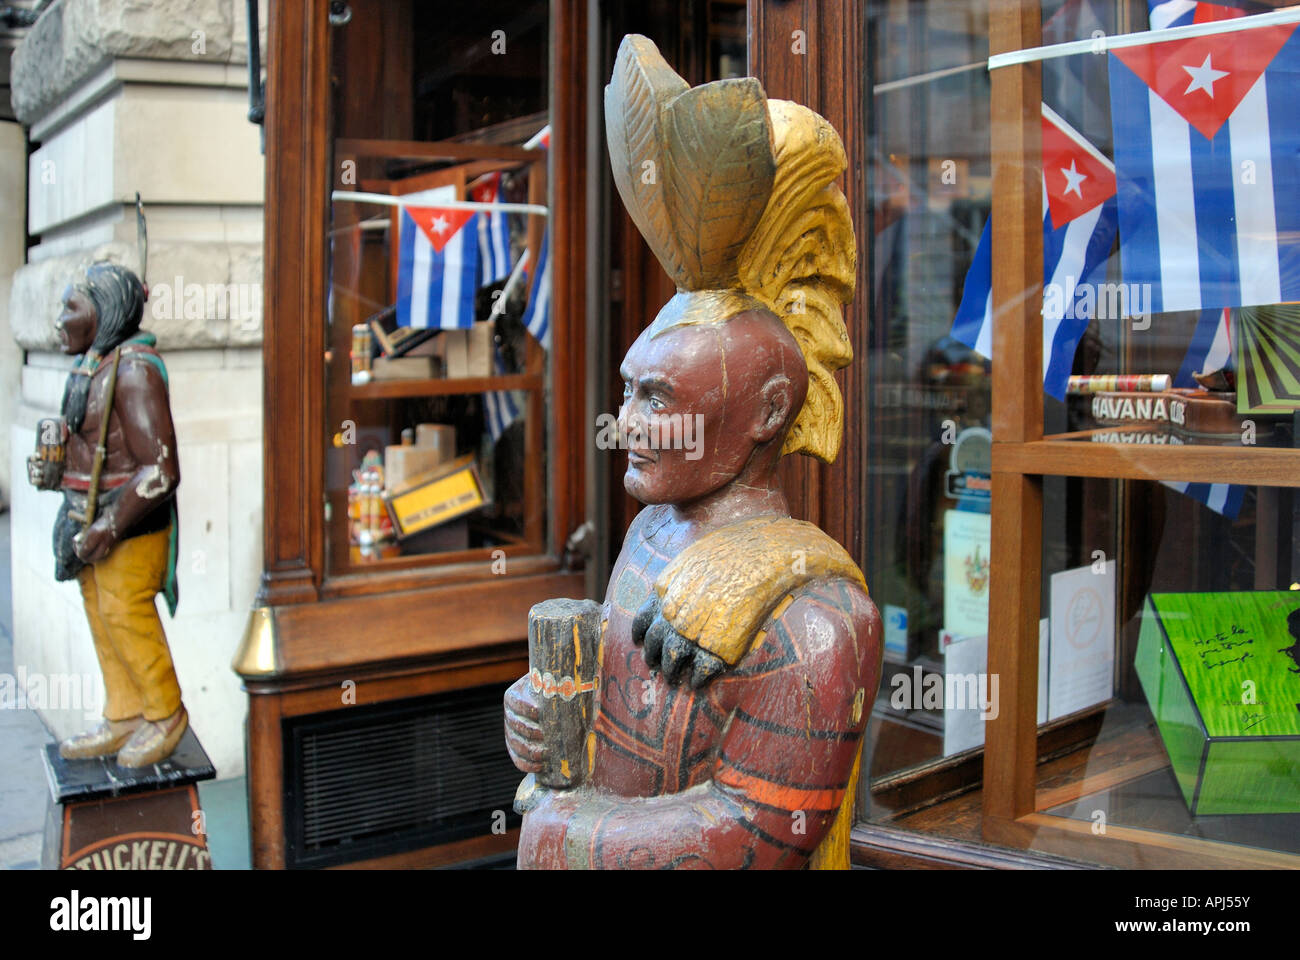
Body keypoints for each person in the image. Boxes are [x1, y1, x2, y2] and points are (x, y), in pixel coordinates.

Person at [503, 36, 882, 868]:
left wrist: (563, 833)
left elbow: (759, 834)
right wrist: (543, 708)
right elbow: (619, 695)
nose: (627, 425)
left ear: (767, 412)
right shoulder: (651, 536)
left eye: (659, 398)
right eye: (629, 392)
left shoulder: (818, 627)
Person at [27, 261, 186, 768]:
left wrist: (109, 525)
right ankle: (125, 714)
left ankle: (164, 714)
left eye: (71, 307)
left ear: (106, 311)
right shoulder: (93, 367)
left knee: (125, 612)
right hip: (89, 521)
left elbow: (160, 470)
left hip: (129, 527)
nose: (59, 320)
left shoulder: (134, 370)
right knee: (101, 614)